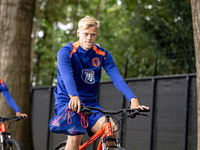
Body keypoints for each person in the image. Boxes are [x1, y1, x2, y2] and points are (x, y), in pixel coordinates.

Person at [53, 16, 149, 150]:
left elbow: (117, 78)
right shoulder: (65, 52)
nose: (89, 38)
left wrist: (133, 99)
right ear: (78, 32)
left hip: (90, 104)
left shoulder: (103, 54)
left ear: (96, 35)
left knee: (112, 130)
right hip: (68, 100)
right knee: (76, 136)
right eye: (86, 34)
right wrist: (74, 96)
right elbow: (67, 77)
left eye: (92, 35)